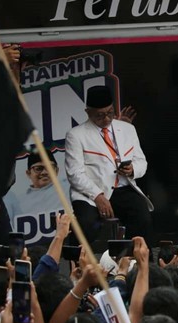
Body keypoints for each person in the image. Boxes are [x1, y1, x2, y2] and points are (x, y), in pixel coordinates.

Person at [65, 85, 153, 245]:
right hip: (90, 193)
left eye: (110, 113)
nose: (106, 119)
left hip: (123, 188)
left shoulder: (128, 128)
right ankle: (78, 265)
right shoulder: (76, 135)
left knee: (142, 218)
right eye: (100, 115)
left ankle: (137, 262)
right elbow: (75, 174)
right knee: (86, 225)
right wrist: (98, 196)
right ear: (88, 112)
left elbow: (142, 162)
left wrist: (132, 169)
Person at [3, 149, 71, 246]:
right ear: (28, 173)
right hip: (32, 253)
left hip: (64, 248)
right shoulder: (18, 201)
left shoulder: (68, 188)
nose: (44, 172)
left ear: (57, 171)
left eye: (50, 167)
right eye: (38, 168)